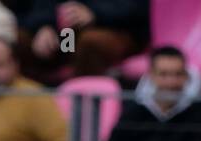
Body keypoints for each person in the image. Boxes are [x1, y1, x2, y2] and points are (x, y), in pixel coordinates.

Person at [18, 0, 149, 82]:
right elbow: (43, 5)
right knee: (18, 39)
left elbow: (135, 9)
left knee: (90, 42)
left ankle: (82, 101)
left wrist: (94, 13)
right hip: (68, 32)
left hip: (118, 30)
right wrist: (44, 26)